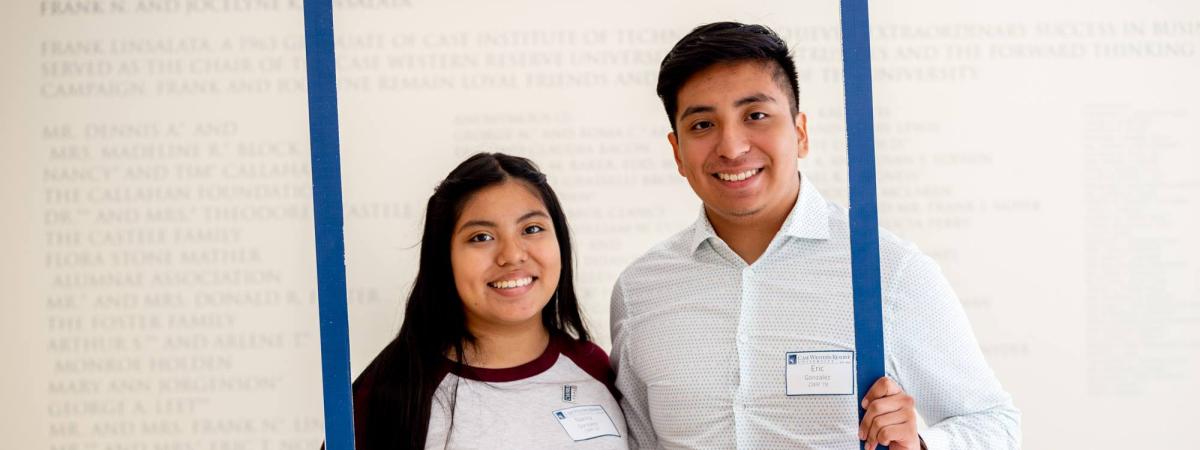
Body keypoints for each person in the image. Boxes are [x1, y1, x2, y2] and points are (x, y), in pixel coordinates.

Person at [609, 22, 1020, 450]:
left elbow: (995, 424)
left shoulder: (889, 271)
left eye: (755, 116)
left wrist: (920, 443)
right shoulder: (639, 291)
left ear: (800, 133)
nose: (731, 146)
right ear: (677, 152)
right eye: (702, 125)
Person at [352, 153, 628, 449]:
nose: (512, 255)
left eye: (532, 229)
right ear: (443, 258)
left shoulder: (595, 368)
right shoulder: (393, 390)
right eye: (481, 237)